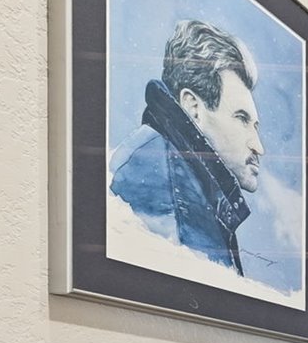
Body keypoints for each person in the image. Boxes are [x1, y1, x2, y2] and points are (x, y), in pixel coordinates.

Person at [109, 19, 266, 272]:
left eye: (255, 126)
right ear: (193, 108)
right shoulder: (168, 185)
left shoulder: (171, 168)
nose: (259, 147)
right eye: (241, 119)